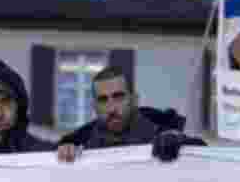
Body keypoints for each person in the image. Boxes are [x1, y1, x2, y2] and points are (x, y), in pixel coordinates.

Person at [56, 67, 207, 163]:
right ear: (94, 107)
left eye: (118, 97)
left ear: (134, 100)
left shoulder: (161, 134)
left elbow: (206, 156)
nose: (111, 108)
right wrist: (64, 150)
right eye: (103, 100)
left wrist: (178, 141)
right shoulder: (81, 143)